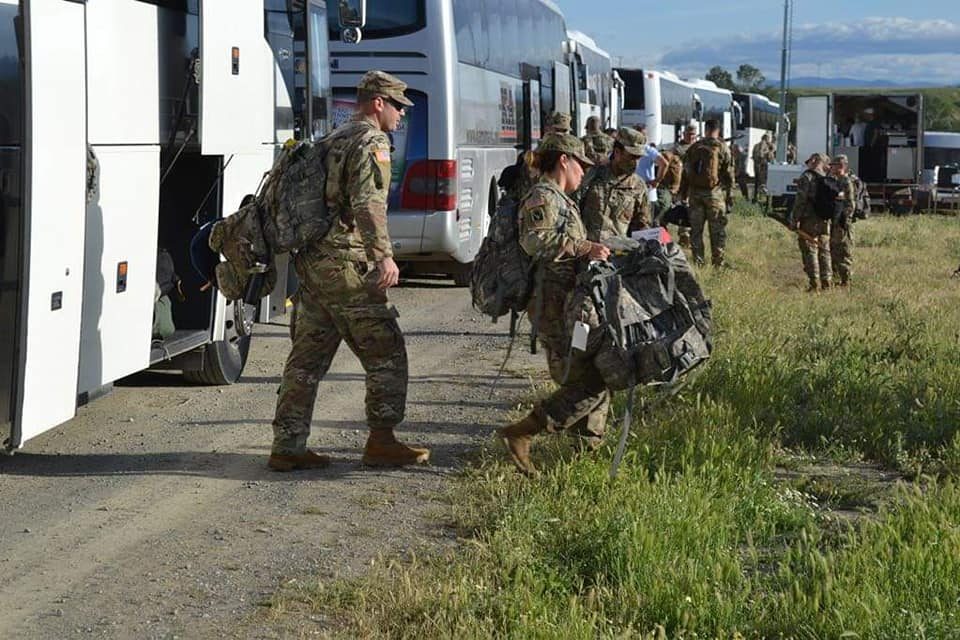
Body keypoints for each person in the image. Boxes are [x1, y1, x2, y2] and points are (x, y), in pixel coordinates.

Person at [268, 70, 429, 471]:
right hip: (345, 265)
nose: (401, 116)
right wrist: (383, 256)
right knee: (387, 351)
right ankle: (381, 440)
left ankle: (288, 445)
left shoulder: (331, 137)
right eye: (397, 107)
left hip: (314, 263)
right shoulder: (372, 141)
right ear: (378, 103)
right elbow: (367, 203)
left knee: (306, 358)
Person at [496, 133, 612, 475]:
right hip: (552, 307)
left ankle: (585, 456)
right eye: (582, 165)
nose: (585, 172)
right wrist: (583, 249)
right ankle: (523, 432)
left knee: (592, 375)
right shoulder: (542, 196)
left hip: (569, 305)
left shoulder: (560, 198)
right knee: (588, 381)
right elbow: (535, 241)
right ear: (564, 160)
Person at [581, 126, 650, 241]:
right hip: (587, 250)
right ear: (617, 152)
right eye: (632, 157)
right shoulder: (592, 176)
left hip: (619, 253)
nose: (636, 163)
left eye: (639, 158)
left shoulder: (638, 186)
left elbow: (641, 224)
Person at [681, 119, 734, 267]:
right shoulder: (722, 147)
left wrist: (683, 195)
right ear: (718, 130)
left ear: (705, 130)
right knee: (717, 231)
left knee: (696, 231)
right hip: (714, 195)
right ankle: (718, 264)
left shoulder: (694, 147)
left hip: (695, 195)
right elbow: (729, 174)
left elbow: (685, 173)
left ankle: (699, 263)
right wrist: (730, 196)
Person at [792, 153, 832, 291]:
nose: (808, 164)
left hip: (809, 219)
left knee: (810, 250)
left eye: (809, 161)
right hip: (825, 219)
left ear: (815, 161)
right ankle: (827, 282)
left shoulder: (807, 177)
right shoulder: (827, 177)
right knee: (824, 250)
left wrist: (795, 219)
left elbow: (800, 201)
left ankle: (814, 284)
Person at [828, 154, 856, 286]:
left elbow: (850, 204)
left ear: (841, 166)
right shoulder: (836, 180)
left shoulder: (846, 181)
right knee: (834, 250)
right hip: (835, 222)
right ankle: (837, 277)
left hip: (842, 223)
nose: (831, 168)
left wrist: (843, 220)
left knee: (844, 251)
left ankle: (846, 280)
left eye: (833, 165)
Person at [671, 123, 699, 246]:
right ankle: (684, 236)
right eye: (688, 134)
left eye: (693, 134)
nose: (691, 137)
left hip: (695, 185)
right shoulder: (678, 148)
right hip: (682, 184)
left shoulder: (699, 147)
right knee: (683, 210)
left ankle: (692, 235)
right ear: (684, 134)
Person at [751, 134, 774, 202]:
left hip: (756, 166)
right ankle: (764, 199)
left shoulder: (756, 145)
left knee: (756, 182)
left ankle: (755, 197)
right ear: (766, 139)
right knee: (764, 182)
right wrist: (769, 153)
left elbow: (753, 155)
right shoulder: (765, 145)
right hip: (763, 166)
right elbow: (765, 155)